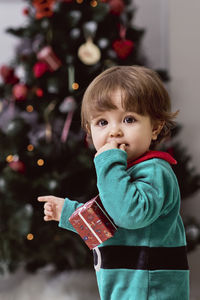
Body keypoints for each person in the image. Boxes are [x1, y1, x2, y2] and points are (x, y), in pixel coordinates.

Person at [38, 66, 190, 300]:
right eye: (102, 122)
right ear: (89, 132)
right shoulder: (120, 173)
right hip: (125, 287)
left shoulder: (155, 171)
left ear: (155, 127)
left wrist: (108, 163)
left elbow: (129, 214)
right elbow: (107, 225)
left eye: (129, 119)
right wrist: (67, 211)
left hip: (151, 292)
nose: (114, 132)